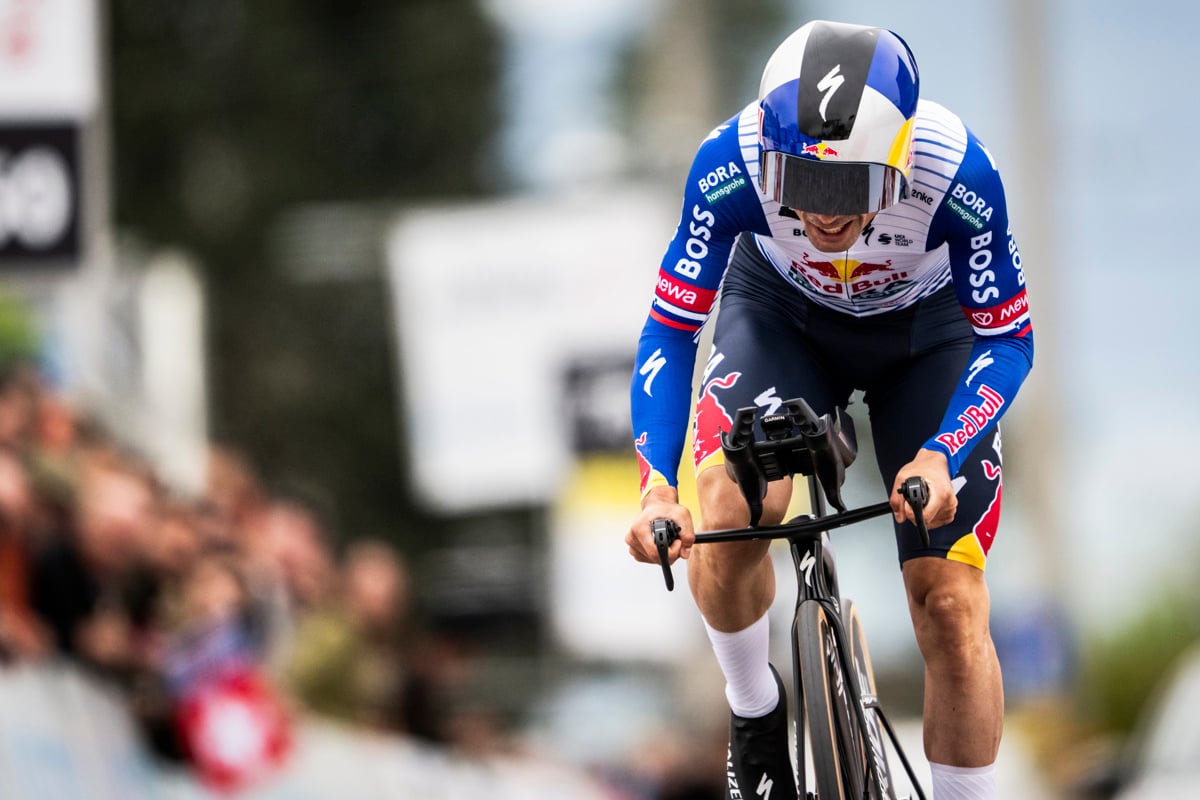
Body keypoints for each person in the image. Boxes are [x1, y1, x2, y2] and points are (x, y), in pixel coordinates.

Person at [626, 19, 1032, 800]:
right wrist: (655, 487)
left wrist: (943, 450)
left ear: (902, 160)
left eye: (854, 187)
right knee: (731, 502)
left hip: (929, 335)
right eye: (803, 183)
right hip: (783, 318)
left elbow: (1009, 339)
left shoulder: (961, 175)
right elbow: (671, 329)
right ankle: (754, 710)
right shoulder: (729, 163)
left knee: (950, 603)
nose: (825, 215)